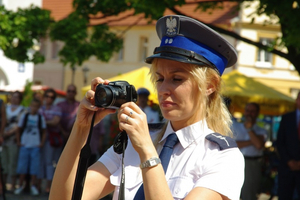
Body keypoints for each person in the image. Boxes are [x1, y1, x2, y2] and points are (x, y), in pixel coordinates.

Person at [50, 15, 245, 200]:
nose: (163, 90)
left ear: (210, 85)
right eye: (160, 79)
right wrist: (81, 128)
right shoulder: (134, 142)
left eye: (177, 79)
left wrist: (147, 151)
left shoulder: (222, 157)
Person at [232, 102, 267, 200]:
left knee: (250, 194)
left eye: (252, 111)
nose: (249, 113)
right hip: (234, 162)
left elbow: (259, 145)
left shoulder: (262, 130)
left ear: (257, 113)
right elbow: (233, 145)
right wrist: (253, 140)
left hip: (253, 163)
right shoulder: (235, 126)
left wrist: (249, 129)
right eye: (247, 110)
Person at [14, 98, 46, 195]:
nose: (34, 108)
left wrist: (41, 143)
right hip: (25, 144)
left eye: (36, 107)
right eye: (33, 106)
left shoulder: (40, 118)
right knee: (22, 167)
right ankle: (20, 185)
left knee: (34, 167)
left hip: (35, 145)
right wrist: (19, 141)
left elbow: (44, 131)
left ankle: (33, 186)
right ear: (30, 106)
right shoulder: (25, 116)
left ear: (38, 108)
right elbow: (18, 129)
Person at [276, 91, 300, 200]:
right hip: (287, 168)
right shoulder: (287, 118)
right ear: (297, 101)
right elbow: (280, 142)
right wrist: (289, 161)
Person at [38, 88, 62, 193]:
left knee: (49, 163)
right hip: (38, 139)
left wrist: (42, 122)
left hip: (51, 140)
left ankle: (48, 187)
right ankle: (37, 185)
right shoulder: (39, 108)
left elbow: (55, 122)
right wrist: (47, 122)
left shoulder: (57, 109)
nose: (49, 99)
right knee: (40, 162)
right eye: (47, 96)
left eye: (52, 97)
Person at [2, 91, 25, 192]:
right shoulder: (5, 108)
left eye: (17, 97)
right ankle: (3, 185)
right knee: (3, 163)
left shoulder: (23, 110)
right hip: (3, 139)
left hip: (14, 139)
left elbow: (19, 125)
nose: (14, 99)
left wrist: (9, 133)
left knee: (13, 162)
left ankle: (12, 185)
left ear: (20, 99)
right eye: (13, 97)